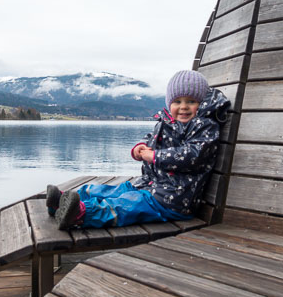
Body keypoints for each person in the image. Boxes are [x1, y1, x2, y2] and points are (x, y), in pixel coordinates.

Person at [46, 70, 230, 230]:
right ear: (169, 103)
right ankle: (68, 200)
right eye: (177, 101)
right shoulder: (168, 122)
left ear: (202, 103)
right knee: (113, 191)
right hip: (151, 185)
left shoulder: (204, 126)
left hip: (173, 199)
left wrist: (155, 156)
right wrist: (141, 147)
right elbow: (152, 137)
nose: (183, 107)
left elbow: (193, 155)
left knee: (125, 205)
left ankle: (80, 215)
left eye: (191, 101)